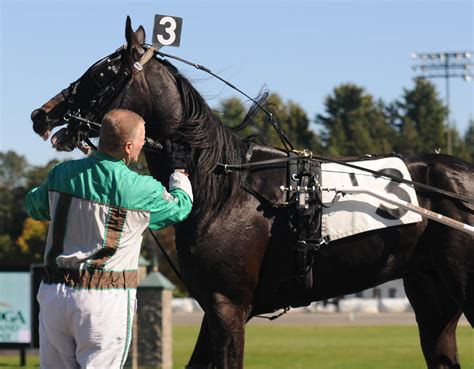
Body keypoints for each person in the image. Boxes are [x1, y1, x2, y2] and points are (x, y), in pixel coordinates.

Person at [24, 109, 193, 369]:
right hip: (103, 300)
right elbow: (181, 207)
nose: (143, 146)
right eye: (141, 141)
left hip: (53, 296)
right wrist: (180, 173)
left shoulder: (61, 173)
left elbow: (33, 205)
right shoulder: (141, 188)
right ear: (128, 147)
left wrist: (85, 168)